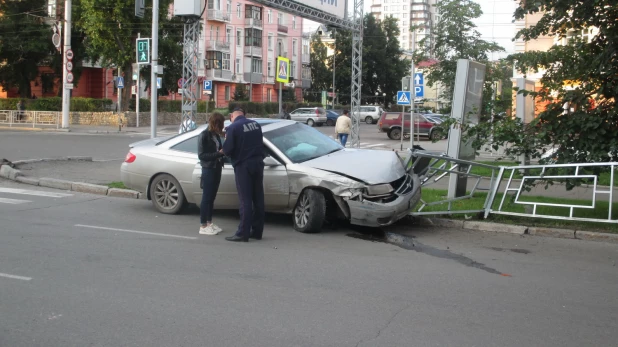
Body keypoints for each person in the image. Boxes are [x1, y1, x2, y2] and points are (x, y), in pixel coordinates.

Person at [222, 107, 265, 242]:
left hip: (243, 166)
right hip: (258, 164)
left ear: (231, 116)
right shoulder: (256, 125)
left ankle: (243, 233)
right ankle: (257, 231)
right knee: (258, 199)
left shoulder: (233, 128)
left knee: (245, 200)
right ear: (243, 114)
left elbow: (227, 150)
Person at [197, 113, 226, 236]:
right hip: (208, 169)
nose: (222, 127)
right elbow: (202, 155)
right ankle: (203, 224)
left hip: (217, 167)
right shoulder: (204, 135)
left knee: (212, 197)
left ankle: (209, 222)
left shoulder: (215, 135)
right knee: (207, 197)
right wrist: (219, 154)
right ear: (216, 123)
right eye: (221, 124)